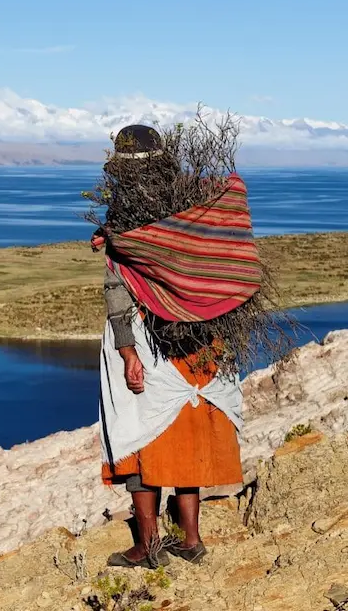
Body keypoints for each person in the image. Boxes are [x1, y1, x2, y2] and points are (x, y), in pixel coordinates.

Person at [92, 124, 262, 569]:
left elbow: (119, 289)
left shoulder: (127, 212)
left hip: (148, 336)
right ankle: (190, 539)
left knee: (139, 433)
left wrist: (128, 352)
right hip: (202, 335)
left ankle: (147, 546)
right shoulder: (194, 200)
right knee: (187, 429)